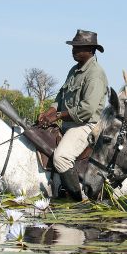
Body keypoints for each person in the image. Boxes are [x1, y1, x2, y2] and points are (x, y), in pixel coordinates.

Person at [39, 29, 108, 201]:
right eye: (73, 47)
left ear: (91, 50)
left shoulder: (95, 74)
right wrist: (49, 112)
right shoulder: (73, 70)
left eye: (78, 47)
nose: (73, 50)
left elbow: (87, 110)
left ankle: (78, 199)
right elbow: (60, 96)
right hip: (69, 124)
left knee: (61, 158)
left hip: (86, 125)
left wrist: (59, 116)